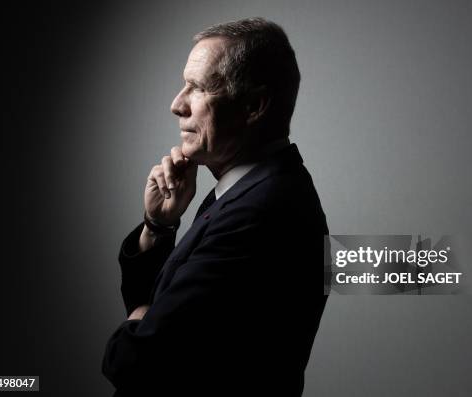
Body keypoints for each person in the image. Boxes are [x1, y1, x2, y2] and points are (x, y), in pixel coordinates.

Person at [102, 17, 328, 396]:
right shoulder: (247, 190)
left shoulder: (260, 212)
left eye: (198, 88)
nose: (176, 105)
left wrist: (137, 326)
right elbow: (153, 305)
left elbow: (136, 361)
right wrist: (158, 226)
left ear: (254, 105)